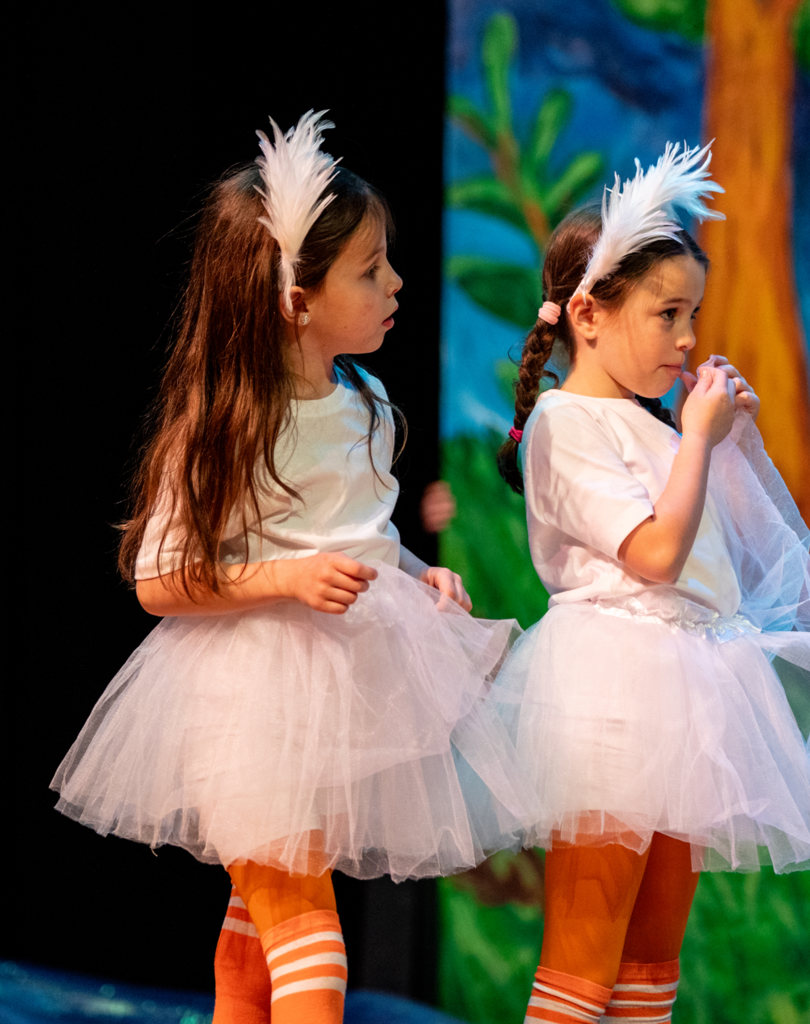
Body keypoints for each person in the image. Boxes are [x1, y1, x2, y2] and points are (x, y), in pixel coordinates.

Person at [51, 111, 530, 1024]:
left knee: (251, 937)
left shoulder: (367, 403)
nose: (396, 283)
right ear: (294, 298)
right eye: (369, 269)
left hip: (342, 689)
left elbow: (360, 534)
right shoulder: (231, 420)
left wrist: (416, 573)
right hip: (251, 699)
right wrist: (285, 579)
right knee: (308, 929)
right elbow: (160, 579)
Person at [491, 143, 810, 1023]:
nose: (688, 337)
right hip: (608, 697)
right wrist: (698, 441)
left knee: (649, 971)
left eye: (691, 314)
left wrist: (724, 440)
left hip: (686, 692)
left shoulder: (659, 429)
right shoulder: (564, 422)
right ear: (589, 314)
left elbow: (727, 567)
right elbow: (655, 556)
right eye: (668, 314)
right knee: (581, 972)